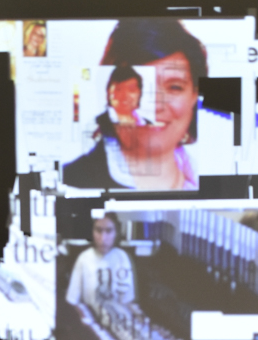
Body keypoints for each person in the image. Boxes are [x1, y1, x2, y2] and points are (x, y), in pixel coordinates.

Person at [62, 19, 208, 191]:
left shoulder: (214, 182)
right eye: (137, 86)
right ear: (110, 91)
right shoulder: (69, 183)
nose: (155, 106)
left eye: (174, 87)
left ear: (194, 95)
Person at [65, 214, 135, 313]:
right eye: (98, 230)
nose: (103, 238)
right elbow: (73, 300)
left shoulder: (122, 257)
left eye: (109, 231)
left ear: (116, 233)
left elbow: (127, 301)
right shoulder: (84, 258)